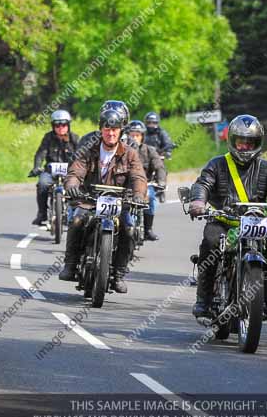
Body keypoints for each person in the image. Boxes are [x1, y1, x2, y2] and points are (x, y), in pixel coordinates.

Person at [189, 114, 267, 321]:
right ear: (232, 141)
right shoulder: (217, 165)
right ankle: (203, 301)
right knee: (210, 244)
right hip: (223, 222)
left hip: (253, 224)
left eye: (249, 143)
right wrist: (198, 202)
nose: (244, 147)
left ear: (257, 143)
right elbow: (203, 184)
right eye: (240, 142)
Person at [59, 104, 147, 293]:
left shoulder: (130, 153)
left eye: (114, 129)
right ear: (101, 129)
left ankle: (119, 274)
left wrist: (139, 195)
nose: (111, 133)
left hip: (119, 201)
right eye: (107, 128)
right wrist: (72, 186)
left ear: (120, 130)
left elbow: (138, 177)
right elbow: (75, 171)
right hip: (89, 199)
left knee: (129, 229)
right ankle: (70, 264)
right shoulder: (88, 149)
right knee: (76, 220)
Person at [28, 110, 79, 226]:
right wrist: (36, 167)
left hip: (69, 172)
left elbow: (82, 156)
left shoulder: (75, 138)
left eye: (64, 124)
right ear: (53, 126)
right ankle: (42, 213)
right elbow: (41, 153)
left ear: (68, 125)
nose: (61, 127)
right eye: (57, 125)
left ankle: (76, 214)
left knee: (78, 187)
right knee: (42, 184)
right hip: (50, 171)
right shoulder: (48, 138)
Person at [126, 120, 166, 241]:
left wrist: (161, 181)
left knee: (151, 197)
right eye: (132, 135)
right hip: (127, 185)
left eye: (137, 135)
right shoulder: (122, 150)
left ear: (142, 136)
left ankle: (148, 229)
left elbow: (159, 166)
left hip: (146, 184)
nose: (134, 138)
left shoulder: (150, 150)